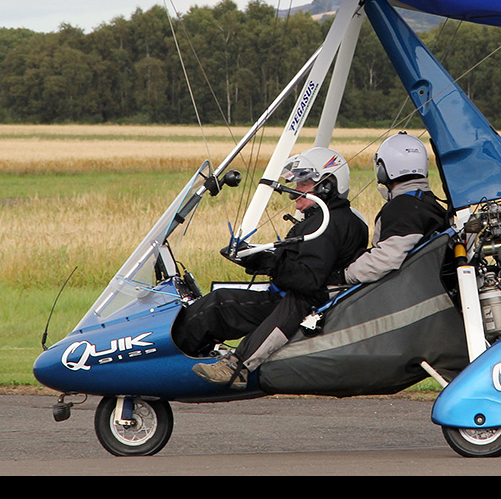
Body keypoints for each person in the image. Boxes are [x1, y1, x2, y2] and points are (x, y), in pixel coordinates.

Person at [174, 146, 368, 388]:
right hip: (291, 298)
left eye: (303, 185)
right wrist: (254, 258)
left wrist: (269, 263)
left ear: (326, 186)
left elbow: (308, 280)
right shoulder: (327, 219)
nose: (295, 192)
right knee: (218, 304)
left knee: (218, 306)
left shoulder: (328, 223)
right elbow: (299, 265)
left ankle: (226, 367)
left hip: (304, 305)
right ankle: (180, 359)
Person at [332, 132, 447, 286]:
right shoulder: (427, 202)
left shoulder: (403, 208)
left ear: (384, 170)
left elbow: (385, 258)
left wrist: (344, 275)